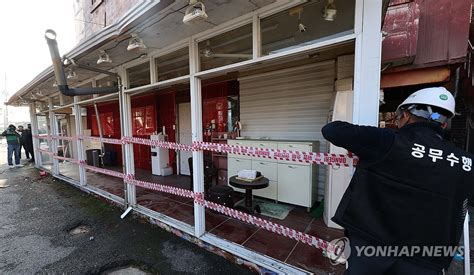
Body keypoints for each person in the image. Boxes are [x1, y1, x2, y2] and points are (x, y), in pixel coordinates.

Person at [322, 87, 474, 274]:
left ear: (406, 116)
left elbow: (332, 129)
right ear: (444, 124)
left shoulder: (387, 141)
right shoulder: (465, 161)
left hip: (371, 250)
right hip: (427, 258)